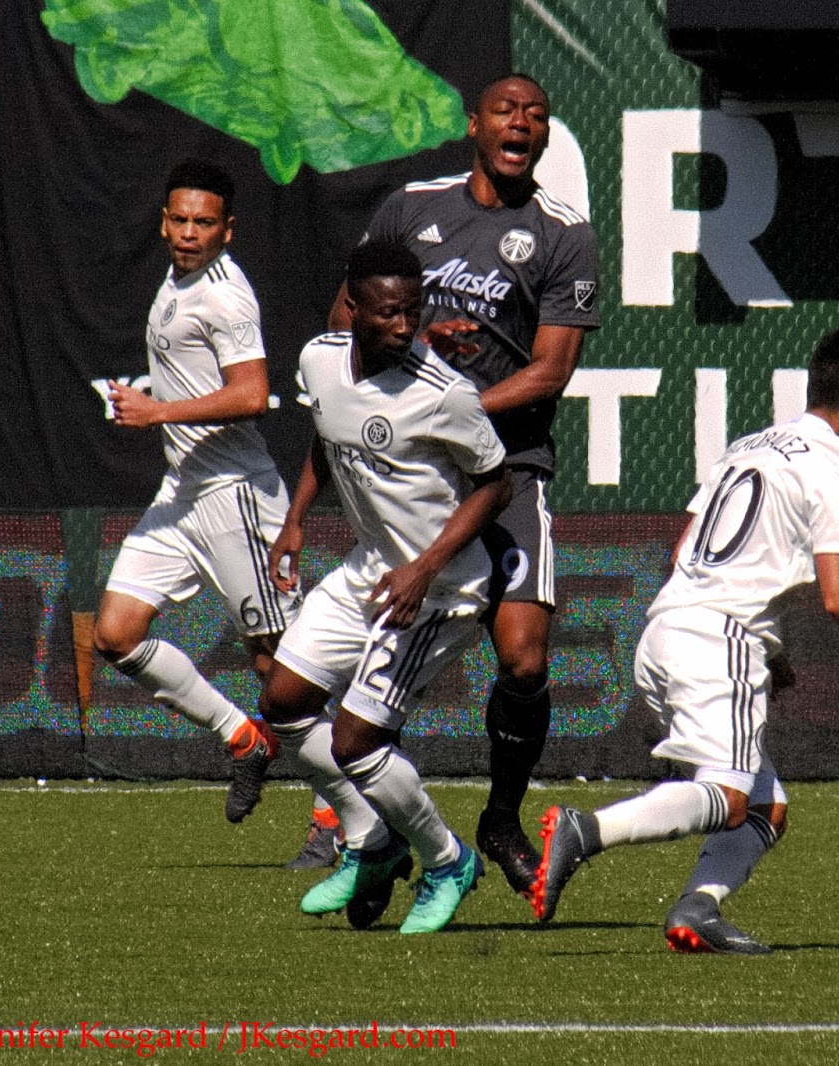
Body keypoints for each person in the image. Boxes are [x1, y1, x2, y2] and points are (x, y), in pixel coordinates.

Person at [529, 327, 839, 953]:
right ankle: (585, 831)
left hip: (663, 634)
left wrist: (771, 651)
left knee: (765, 807)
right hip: (719, 640)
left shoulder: (750, 445)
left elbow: (683, 550)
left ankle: (697, 909)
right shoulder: (837, 463)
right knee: (729, 796)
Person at [330, 72, 600, 899]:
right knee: (351, 664)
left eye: (536, 115)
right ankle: (373, 833)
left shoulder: (564, 234)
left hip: (510, 470)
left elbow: (550, 371)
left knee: (523, 658)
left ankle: (500, 820)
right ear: (473, 124)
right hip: (415, 478)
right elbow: (342, 319)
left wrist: (453, 409)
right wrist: (416, 370)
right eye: (506, 111)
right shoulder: (410, 209)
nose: (522, 124)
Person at [260, 241, 510, 935]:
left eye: (413, 312)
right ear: (353, 307)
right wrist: (296, 520)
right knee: (283, 703)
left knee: (356, 741)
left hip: (440, 591)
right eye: (388, 313)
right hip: (368, 572)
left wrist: (425, 567)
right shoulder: (319, 359)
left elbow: (495, 484)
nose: (404, 327)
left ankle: (447, 861)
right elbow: (327, 434)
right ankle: (372, 837)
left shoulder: (445, 394)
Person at [93, 158, 299, 824]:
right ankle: (243, 737)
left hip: (236, 497)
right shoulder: (177, 278)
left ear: (227, 229)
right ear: (163, 222)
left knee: (280, 671)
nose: (189, 233)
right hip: (183, 491)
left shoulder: (225, 295)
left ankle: (343, 817)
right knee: (115, 634)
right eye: (179, 220)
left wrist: (157, 412)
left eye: (204, 223)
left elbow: (252, 394)